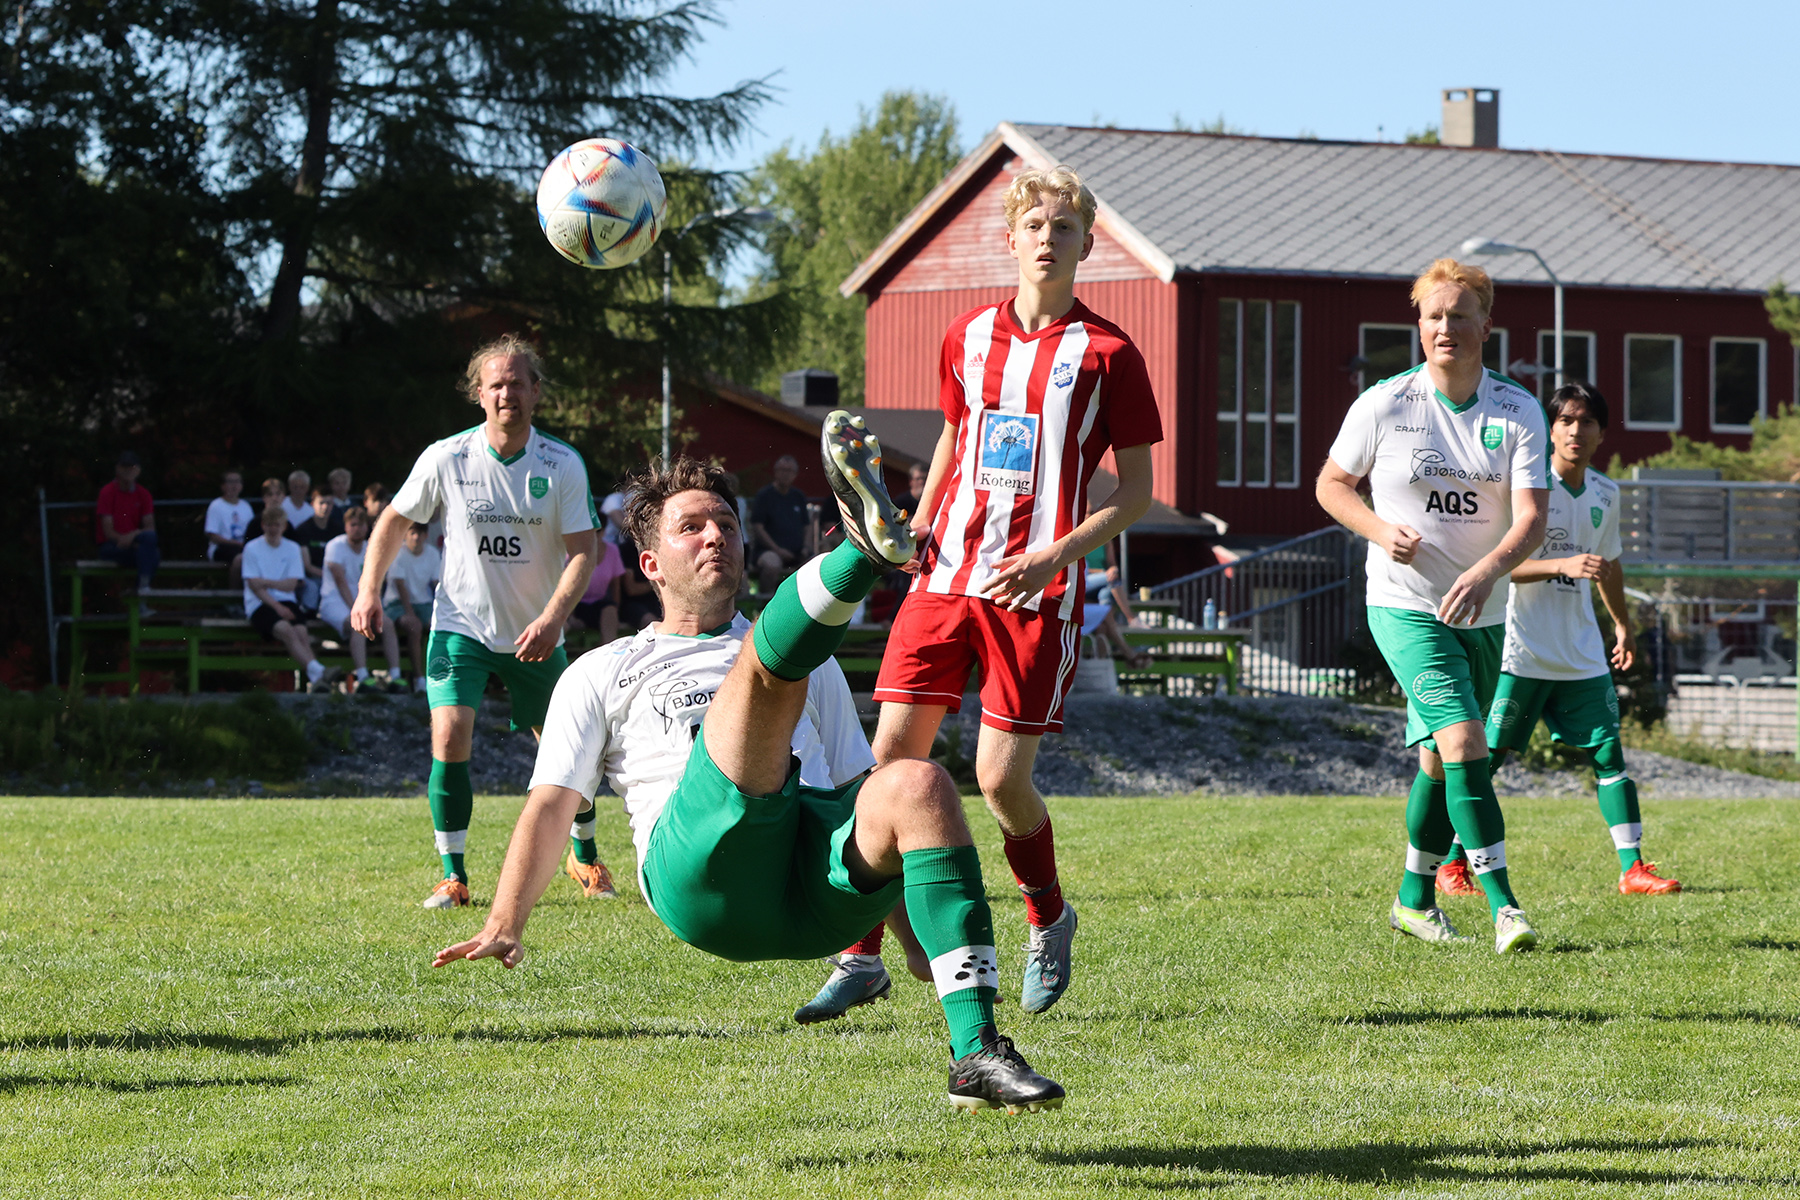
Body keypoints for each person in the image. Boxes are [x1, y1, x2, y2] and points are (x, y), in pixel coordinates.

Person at [434, 428, 1065, 1113]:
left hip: (812, 889)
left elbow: (861, 797)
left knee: (918, 782)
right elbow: (552, 805)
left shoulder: (809, 662)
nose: (716, 538)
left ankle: (973, 1054)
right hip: (705, 881)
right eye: (692, 527)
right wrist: (505, 921)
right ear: (649, 563)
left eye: (727, 525)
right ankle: (860, 554)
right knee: (763, 679)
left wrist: (919, 941)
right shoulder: (603, 670)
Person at [797, 165, 1162, 1025]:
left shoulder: (1110, 354)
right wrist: (914, 531)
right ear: (1011, 238)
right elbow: (958, 446)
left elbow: (1137, 493)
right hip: (945, 579)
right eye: (1034, 224)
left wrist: (1052, 556)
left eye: (1063, 228)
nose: (1047, 238)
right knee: (888, 764)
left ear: (1086, 242)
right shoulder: (965, 337)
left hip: (1037, 594)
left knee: (999, 781)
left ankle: (1048, 918)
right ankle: (861, 952)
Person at [1315, 257, 1549, 954]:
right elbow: (1332, 485)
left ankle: (1413, 900)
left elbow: (1532, 519)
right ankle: (1505, 905)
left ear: (1486, 323)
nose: (1446, 326)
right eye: (1433, 315)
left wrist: (1486, 573)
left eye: (1459, 313)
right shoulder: (1385, 403)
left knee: (1441, 766)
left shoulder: (1518, 410)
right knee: (1464, 741)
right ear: (1419, 326)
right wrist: (1382, 531)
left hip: (1483, 610)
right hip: (1405, 607)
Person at [352, 334, 605, 909]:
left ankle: (585, 857)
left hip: (536, 632)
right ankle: (453, 875)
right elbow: (394, 519)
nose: (507, 393)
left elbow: (584, 550)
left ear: (537, 392)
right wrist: (369, 588)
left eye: (518, 382)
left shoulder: (560, 463)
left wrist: (550, 618)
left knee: (568, 755)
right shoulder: (447, 456)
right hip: (459, 625)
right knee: (448, 734)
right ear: (478, 394)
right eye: (496, 384)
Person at [1434, 384, 1681, 898]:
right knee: (1485, 759)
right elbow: (1497, 567)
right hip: (1519, 651)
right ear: (1550, 429)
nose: (1575, 430)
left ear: (1602, 433)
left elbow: (1609, 565)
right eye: (1565, 420)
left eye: (1586, 421)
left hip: (1581, 653)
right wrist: (1560, 564)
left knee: (1609, 754)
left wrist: (1622, 624)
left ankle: (1633, 869)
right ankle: (1453, 865)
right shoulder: (1524, 487)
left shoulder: (1606, 493)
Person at [241, 507, 336, 693]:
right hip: (259, 604)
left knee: (301, 631)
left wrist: (266, 582)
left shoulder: (292, 548)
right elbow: (254, 586)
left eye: (277, 525)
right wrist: (276, 605)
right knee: (286, 630)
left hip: (286, 599)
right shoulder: (251, 548)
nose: (273, 529)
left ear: (284, 527)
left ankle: (316, 678)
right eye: (269, 525)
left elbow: (292, 585)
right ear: (263, 525)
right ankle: (319, 671)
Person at [320, 505, 405, 692]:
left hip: (361, 602)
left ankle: (396, 677)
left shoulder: (370, 548)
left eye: (361, 525)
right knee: (357, 624)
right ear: (346, 527)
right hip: (334, 602)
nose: (357, 528)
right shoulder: (334, 546)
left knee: (388, 625)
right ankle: (363, 678)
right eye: (353, 524)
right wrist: (359, 610)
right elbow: (341, 583)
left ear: (368, 527)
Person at [384, 521, 442, 693]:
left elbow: (437, 584)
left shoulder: (432, 553)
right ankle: (419, 679)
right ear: (406, 535)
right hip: (396, 604)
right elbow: (400, 585)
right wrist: (410, 613)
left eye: (420, 533)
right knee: (414, 627)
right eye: (412, 533)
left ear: (425, 536)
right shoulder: (398, 554)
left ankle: (440, 676)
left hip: (423, 603)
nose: (416, 537)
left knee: (441, 628)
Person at [95, 450, 160, 595]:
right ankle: (141, 592)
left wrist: (133, 536)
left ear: (138, 470)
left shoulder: (144, 494)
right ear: (117, 468)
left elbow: (150, 528)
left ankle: (141, 590)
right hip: (111, 545)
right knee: (152, 555)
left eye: (131, 467)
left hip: (134, 543)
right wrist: (124, 539)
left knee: (150, 544)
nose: (128, 471)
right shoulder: (107, 492)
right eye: (124, 466)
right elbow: (108, 530)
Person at [749, 454, 814, 594]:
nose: (786, 474)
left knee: (818, 565)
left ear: (795, 475)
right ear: (775, 471)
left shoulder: (798, 497)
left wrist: (806, 547)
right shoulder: (764, 496)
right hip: (768, 551)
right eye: (782, 470)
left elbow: (807, 526)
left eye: (789, 471)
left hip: (797, 553)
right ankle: (764, 604)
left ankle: (803, 605)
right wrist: (777, 550)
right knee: (772, 565)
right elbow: (758, 527)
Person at [565, 532, 625, 644]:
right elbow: (567, 587)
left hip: (599, 605)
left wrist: (617, 614)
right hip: (574, 605)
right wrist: (571, 616)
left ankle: (609, 651)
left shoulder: (612, 551)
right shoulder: (570, 550)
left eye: (597, 531)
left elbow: (616, 586)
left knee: (610, 610)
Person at [287, 489, 342, 610]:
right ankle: (309, 613)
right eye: (321, 503)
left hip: (334, 575)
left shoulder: (338, 530)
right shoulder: (303, 529)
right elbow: (307, 566)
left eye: (329, 503)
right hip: (312, 577)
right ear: (312, 504)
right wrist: (328, 576)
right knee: (312, 587)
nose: (325, 507)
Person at [204, 469, 254, 586]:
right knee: (240, 559)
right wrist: (236, 543)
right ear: (223, 486)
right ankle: (233, 595)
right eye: (231, 482)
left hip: (243, 547)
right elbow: (212, 535)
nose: (234, 485)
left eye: (237, 482)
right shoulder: (216, 506)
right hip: (221, 548)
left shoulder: (246, 506)